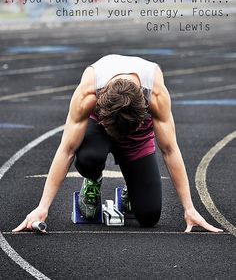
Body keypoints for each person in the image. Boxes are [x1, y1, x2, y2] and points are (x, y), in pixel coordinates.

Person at [13, 55, 222, 232]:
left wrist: (189, 208)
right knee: (89, 158)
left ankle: (130, 191)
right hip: (99, 127)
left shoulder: (156, 94)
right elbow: (67, 149)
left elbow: (169, 149)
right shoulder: (88, 93)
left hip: (136, 135)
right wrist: (42, 207)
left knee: (149, 217)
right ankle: (92, 181)